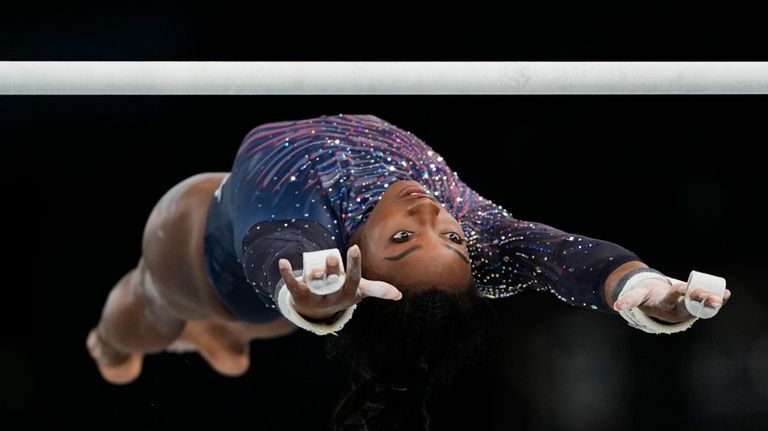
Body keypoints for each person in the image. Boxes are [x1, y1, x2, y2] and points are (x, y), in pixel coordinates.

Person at [86, 114, 731, 430]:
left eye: (401, 239)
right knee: (253, 324)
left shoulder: (299, 221)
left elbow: (274, 245)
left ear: (352, 263)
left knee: (140, 317)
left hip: (195, 258)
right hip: (279, 304)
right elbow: (559, 255)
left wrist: (310, 302)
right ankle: (231, 334)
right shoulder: (471, 227)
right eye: (449, 236)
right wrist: (640, 289)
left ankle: (117, 340)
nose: (430, 212)